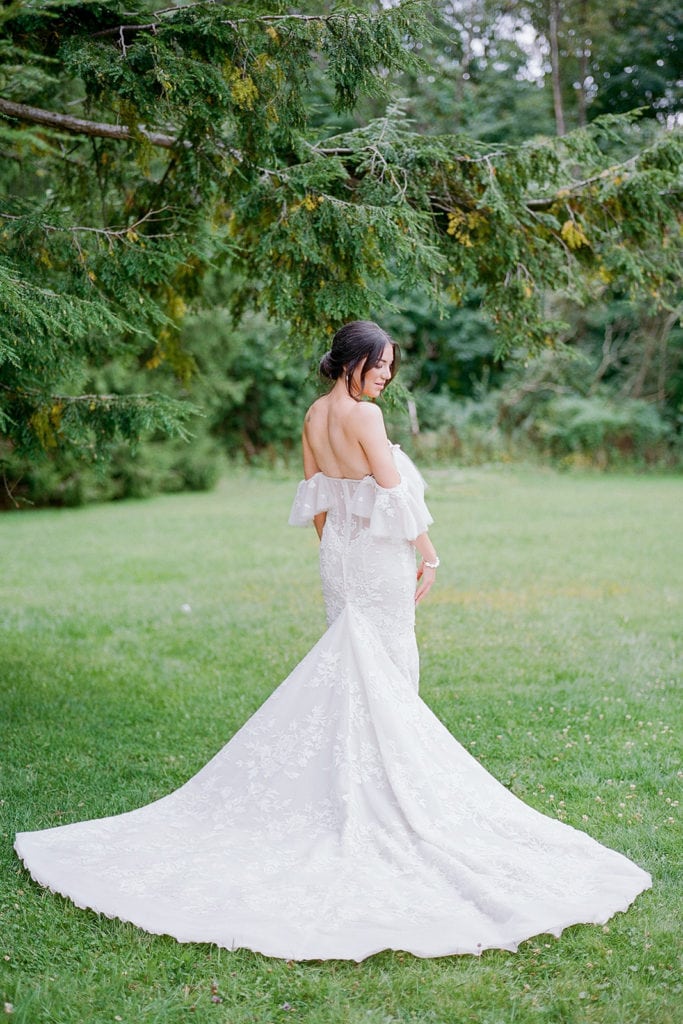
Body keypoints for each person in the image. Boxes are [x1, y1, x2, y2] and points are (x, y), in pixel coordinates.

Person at [15, 320, 651, 962]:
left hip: (341, 555)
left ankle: (354, 784)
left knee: (352, 666)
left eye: (392, 365)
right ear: (352, 361)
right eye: (380, 364)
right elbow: (393, 494)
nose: (387, 375)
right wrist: (429, 558)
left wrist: (336, 550)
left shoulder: (315, 416)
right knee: (385, 666)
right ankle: (392, 794)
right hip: (377, 557)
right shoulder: (364, 420)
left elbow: (318, 500)